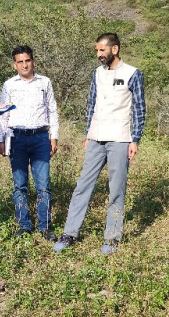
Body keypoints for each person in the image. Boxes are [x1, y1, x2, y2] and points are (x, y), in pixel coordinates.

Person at [54, 32, 146, 255]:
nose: (98, 54)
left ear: (115, 49)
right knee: (82, 186)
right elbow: (92, 104)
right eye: (96, 50)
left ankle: (112, 238)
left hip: (120, 138)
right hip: (96, 137)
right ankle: (69, 233)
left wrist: (135, 139)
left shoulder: (133, 73)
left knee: (116, 189)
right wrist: (88, 134)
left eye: (102, 50)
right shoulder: (96, 73)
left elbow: (139, 109)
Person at [0, 45, 59, 241]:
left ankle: (45, 226)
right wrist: (0, 139)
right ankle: (24, 225)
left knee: (43, 186)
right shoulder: (9, 85)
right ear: (14, 65)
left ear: (33, 61)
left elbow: (52, 109)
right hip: (17, 138)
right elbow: (3, 113)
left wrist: (54, 136)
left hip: (41, 138)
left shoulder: (44, 82)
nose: (24, 65)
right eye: (20, 62)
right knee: (20, 185)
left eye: (27, 60)